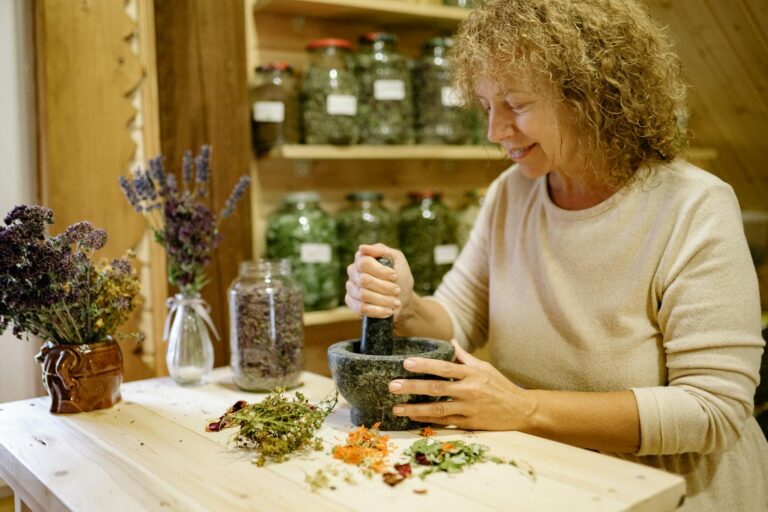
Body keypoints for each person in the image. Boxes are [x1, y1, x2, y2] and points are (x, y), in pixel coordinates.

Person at [343, 0, 768, 510]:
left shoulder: (693, 206)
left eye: (516, 106)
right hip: (552, 481)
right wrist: (406, 304)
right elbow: (458, 319)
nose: (494, 133)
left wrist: (522, 408)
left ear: (592, 97)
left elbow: (713, 412)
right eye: (485, 107)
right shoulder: (511, 194)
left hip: (673, 494)